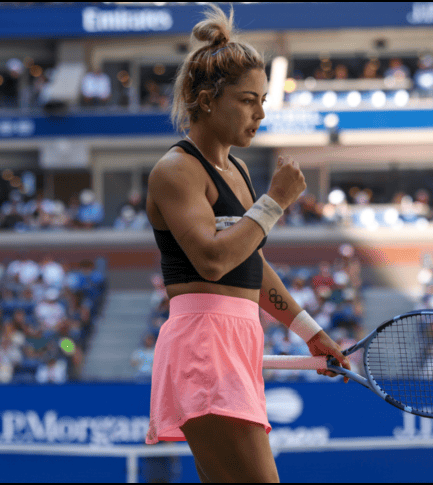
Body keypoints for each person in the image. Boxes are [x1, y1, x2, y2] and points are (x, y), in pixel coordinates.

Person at [143, 5, 351, 482]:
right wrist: (274, 202)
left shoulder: (235, 170)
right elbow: (213, 260)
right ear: (206, 99)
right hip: (204, 343)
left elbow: (248, 263)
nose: (259, 113)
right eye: (247, 100)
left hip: (236, 340)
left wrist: (310, 331)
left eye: (263, 101)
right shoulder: (175, 170)